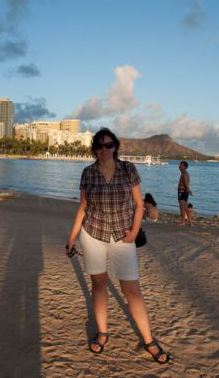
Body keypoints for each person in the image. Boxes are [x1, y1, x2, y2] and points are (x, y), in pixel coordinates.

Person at [66, 128, 170, 364]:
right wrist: (71, 237)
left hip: (123, 237)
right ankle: (102, 332)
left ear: (115, 147)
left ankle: (149, 340)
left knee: (131, 289)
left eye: (108, 145)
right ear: (94, 149)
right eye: (99, 146)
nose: (104, 150)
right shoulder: (88, 173)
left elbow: (138, 204)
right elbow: (83, 208)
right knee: (99, 284)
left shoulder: (129, 169)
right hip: (93, 234)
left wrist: (134, 232)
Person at [177, 161, 193, 226]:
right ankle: (190, 222)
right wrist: (188, 190)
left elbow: (186, 184)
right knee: (185, 207)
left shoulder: (184, 174)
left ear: (185, 167)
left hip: (182, 191)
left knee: (182, 207)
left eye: (181, 165)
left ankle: (183, 222)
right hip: (184, 191)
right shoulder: (184, 173)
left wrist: (189, 190)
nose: (180, 166)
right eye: (180, 165)